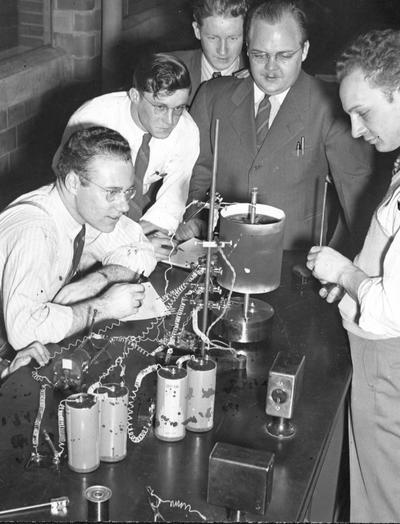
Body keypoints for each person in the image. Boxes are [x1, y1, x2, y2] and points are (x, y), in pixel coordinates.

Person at [177, 0, 380, 254]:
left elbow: (357, 201)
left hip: (295, 261)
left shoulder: (330, 107)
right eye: (260, 55)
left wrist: (345, 266)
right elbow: (193, 173)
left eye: (284, 55)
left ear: (304, 50)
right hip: (220, 255)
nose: (271, 68)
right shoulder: (211, 96)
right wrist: (193, 218)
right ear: (247, 49)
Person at [306, 29, 400, 523]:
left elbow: (389, 309)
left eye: (364, 112)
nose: (358, 131)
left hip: (389, 371)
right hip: (377, 363)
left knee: (380, 506)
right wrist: (350, 284)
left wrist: (343, 271)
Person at [0, 126, 156, 352]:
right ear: (73, 182)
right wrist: (105, 306)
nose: (123, 206)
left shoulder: (80, 209)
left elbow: (141, 248)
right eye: (112, 192)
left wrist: (98, 280)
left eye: (128, 191)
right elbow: (24, 331)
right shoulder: (36, 231)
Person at [54, 53, 200, 260]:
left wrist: (138, 244)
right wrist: (126, 244)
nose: (170, 120)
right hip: (85, 220)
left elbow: (170, 204)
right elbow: (70, 198)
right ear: (135, 96)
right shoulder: (91, 119)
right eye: (160, 107)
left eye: (179, 108)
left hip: (138, 220)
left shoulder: (187, 131)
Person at [172, 0, 250, 105]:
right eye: (213, 38)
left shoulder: (260, 78)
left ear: (246, 34)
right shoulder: (169, 66)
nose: (222, 51)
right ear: (197, 31)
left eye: (233, 38)